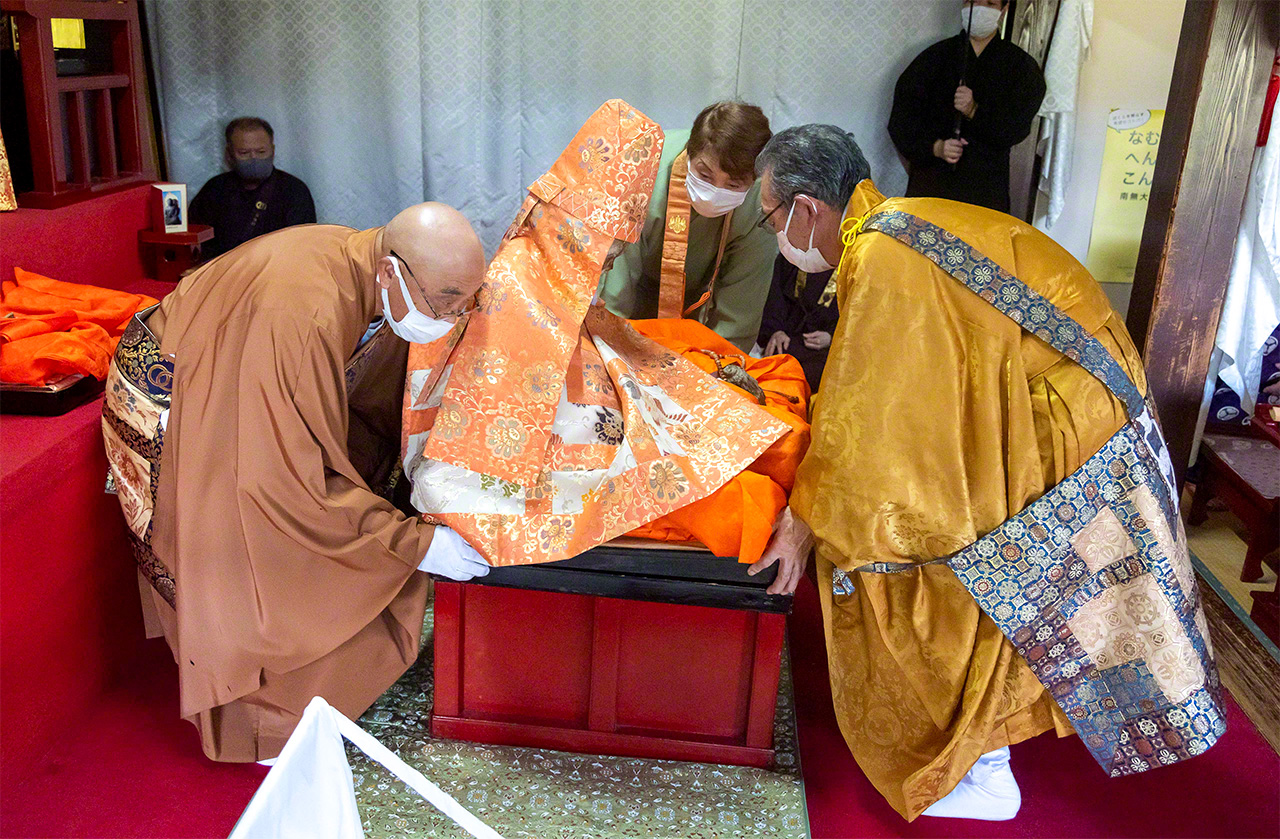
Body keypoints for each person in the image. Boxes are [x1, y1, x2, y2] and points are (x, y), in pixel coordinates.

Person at [748, 125, 1224, 822]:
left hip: (1062, 416)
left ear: (806, 208)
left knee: (930, 550)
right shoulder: (894, 225)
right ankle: (984, 745)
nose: (775, 236)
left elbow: (866, 419)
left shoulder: (882, 250)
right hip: (1086, 394)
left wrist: (806, 515)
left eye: (769, 218)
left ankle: (981, 761)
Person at [101, 202, 491, 762]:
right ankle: (259, 716)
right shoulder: (301, 314)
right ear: (390, 271)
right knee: (261, 536)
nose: (451, 317)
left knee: (358, 470)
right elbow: (280, 483)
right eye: (444, 302)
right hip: (179, 402)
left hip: (234, 370)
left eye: (464, 302)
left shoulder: (359, 261)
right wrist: (415, 545)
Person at [598, 101, 777, 351]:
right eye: (705, 175)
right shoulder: (646, 165)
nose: (715, 191)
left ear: (754, 179)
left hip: (700, 311)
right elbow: (617, 286)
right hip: (637, 293)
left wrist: (715, 362)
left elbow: (740, 311)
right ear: (689, 152)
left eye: (733, 185)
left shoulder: (762, 202)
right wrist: (611, 347)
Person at [888, 0, 1046, 212]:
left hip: (986, 190)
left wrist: (974, 110)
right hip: (931, 186)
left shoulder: (1022, 67)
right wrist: (936, 147)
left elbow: (1015, 128)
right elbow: (901, 121)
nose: (979, 8)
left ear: (1004, 9)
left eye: (990, 3)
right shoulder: (932, 59)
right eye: (972, 1)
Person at [189, 116, 316, 260]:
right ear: (229, 154)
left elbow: (302, 248)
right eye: (244, 153)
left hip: (277, 270)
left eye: (261, 152)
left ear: (273, 151)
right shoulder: (214, 190)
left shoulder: (294, 191)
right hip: (223, 270)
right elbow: (196, 243)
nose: (254, 158)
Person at [754, 254, 839, 391]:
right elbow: (775, 295)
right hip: (786, 338)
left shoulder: (853, 266)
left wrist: (832, 337)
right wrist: (776, 331)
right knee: (776, 362)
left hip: (824, 351)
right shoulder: (796, 252)